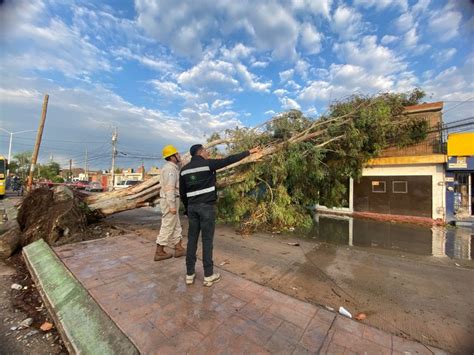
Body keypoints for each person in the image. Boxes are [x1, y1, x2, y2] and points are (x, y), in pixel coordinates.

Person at [180, 144, 262, 286]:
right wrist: (249, 151)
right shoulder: (208, 165)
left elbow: (182, 194)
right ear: (200, 152)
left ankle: (189, 274)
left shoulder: (184, 170)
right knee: (207, 241)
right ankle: (208, 275)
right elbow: (229, 160)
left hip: (192, 208)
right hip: (206, 208)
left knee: (192, 240)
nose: (208, 152)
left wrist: (188, 209)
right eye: (206, 150)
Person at [154, 145, 186, 261]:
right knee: (168, 225)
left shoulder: (173, 168)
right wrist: (172, 205)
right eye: (177, 154)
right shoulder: (170, 169)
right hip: (170, 200)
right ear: (172, 157)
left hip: (172, 199)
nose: (179, 156)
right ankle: (159, 251)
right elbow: (170, 189)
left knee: (176, 224)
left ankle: (178, 248)